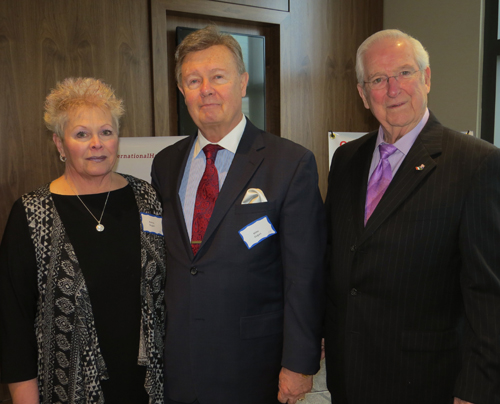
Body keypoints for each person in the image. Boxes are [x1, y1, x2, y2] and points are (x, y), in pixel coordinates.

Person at [151, 25, 326, 404]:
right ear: (182, 91)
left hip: (255, 367)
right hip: (179, 363)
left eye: (218, 77)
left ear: (243, 83)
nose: (206, 89)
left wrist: (299, 365)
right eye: (193, 80)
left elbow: (305, 275)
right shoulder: (165, 164)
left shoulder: (290, 163)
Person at [324, 29, 500, 404]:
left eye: (404, 73)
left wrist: (476, 390)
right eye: (378, 79)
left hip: (427, 383)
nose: (393, 89)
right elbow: (335, 259)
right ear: (362, 92)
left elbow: (488, 295)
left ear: (427, 78)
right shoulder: (345, 160)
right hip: (348, 376)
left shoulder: (475, 164)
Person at [0, 78, 166, 404]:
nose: (97, 143)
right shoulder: (32, 214)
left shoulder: (147, 198)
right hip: (65, 389)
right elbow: (13, 323)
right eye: (81, 134)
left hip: (150, 388)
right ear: (60, 145)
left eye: (106, 131)